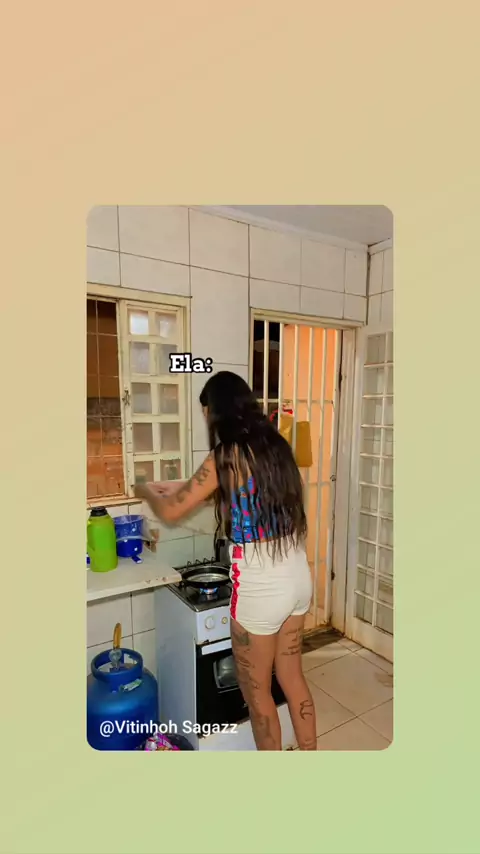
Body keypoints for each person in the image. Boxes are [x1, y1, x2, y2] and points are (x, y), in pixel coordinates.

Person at [134, 370, 317, 751]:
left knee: (257, 695)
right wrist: (181, 486)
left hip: (260, 591)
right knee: (293, 677)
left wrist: (145, 490)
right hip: (298, 578)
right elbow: (240, 490)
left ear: (216, 411)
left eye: (206, 414)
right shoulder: (275, 447)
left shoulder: (226, 453)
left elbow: (171, 510)